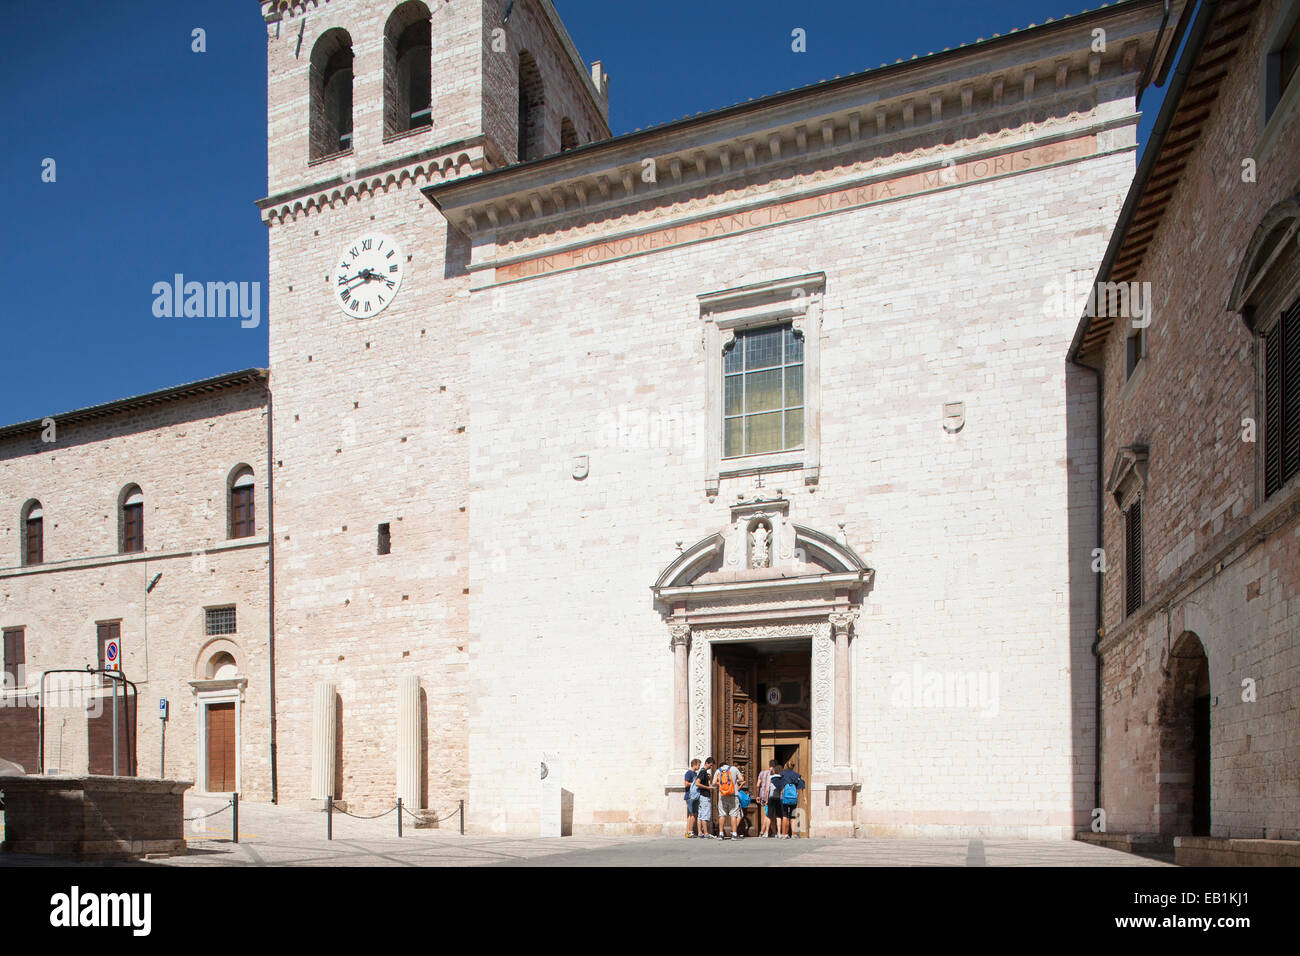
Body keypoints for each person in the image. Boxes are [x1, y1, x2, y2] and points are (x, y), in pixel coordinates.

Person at [715, 759, 745, 839]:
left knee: (722, 814)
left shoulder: (718, 771)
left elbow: (714, 783)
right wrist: (734, 781)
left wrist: (721, 783)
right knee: (733, 814)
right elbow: (742, 779)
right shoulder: (734, 769)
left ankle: (721, 834)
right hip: (733, 794)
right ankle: (734, 834)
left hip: (722, 795)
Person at [776, 760, 805, 838]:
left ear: (786, 766)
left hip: (784, 798)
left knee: (785, 816)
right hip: (793, 798)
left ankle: (784, 834)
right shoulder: (796, 775)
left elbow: (777, 784)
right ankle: (793, 834)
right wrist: (804, 797)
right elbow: (802, 785)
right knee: (792, 816)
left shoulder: (782, 774)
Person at [758, 759, 780, 837]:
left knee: (770, 814)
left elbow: (758, 785)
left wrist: (758, 795)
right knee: (769, 815)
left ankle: (774, 832)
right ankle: (762, 832)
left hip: (763, 796)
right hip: (771, 796)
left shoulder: (762, 773)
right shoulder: (773, 774)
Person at [694, 757, 716, 838]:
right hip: (704, 796)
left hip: (701, 795)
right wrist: (708, 787)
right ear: (706, 763)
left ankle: (700, 832)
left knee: (700, 815)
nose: (711, 767)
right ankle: (706, 833)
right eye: (710, 765)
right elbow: (697, 783)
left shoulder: (703, 772)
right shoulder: (703, 772)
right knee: (704, 815)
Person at [684, 758, 701, 838]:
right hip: (690, 796)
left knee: (691, 815)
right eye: (698, 765)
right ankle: (690, 831)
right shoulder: (689, 773)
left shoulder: (695, 774)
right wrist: (694, 783)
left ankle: (688, 832)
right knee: (693, 814)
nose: (699, 766)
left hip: (693, 796)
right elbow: (686, 784)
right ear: (694, 764)